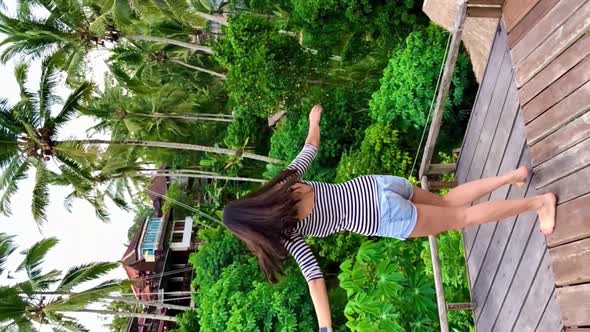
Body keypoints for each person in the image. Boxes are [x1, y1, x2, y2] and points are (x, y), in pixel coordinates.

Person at [222, 104, 556, 332]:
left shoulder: (287, 232)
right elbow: (310, 147)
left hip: (383, 216)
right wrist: (314, 121)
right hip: (376, 185)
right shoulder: (287, 182)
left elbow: (314, 279)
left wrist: (325, 328)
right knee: (446, 201)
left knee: (462, 218)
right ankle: (513, 176)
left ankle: (538, 203)